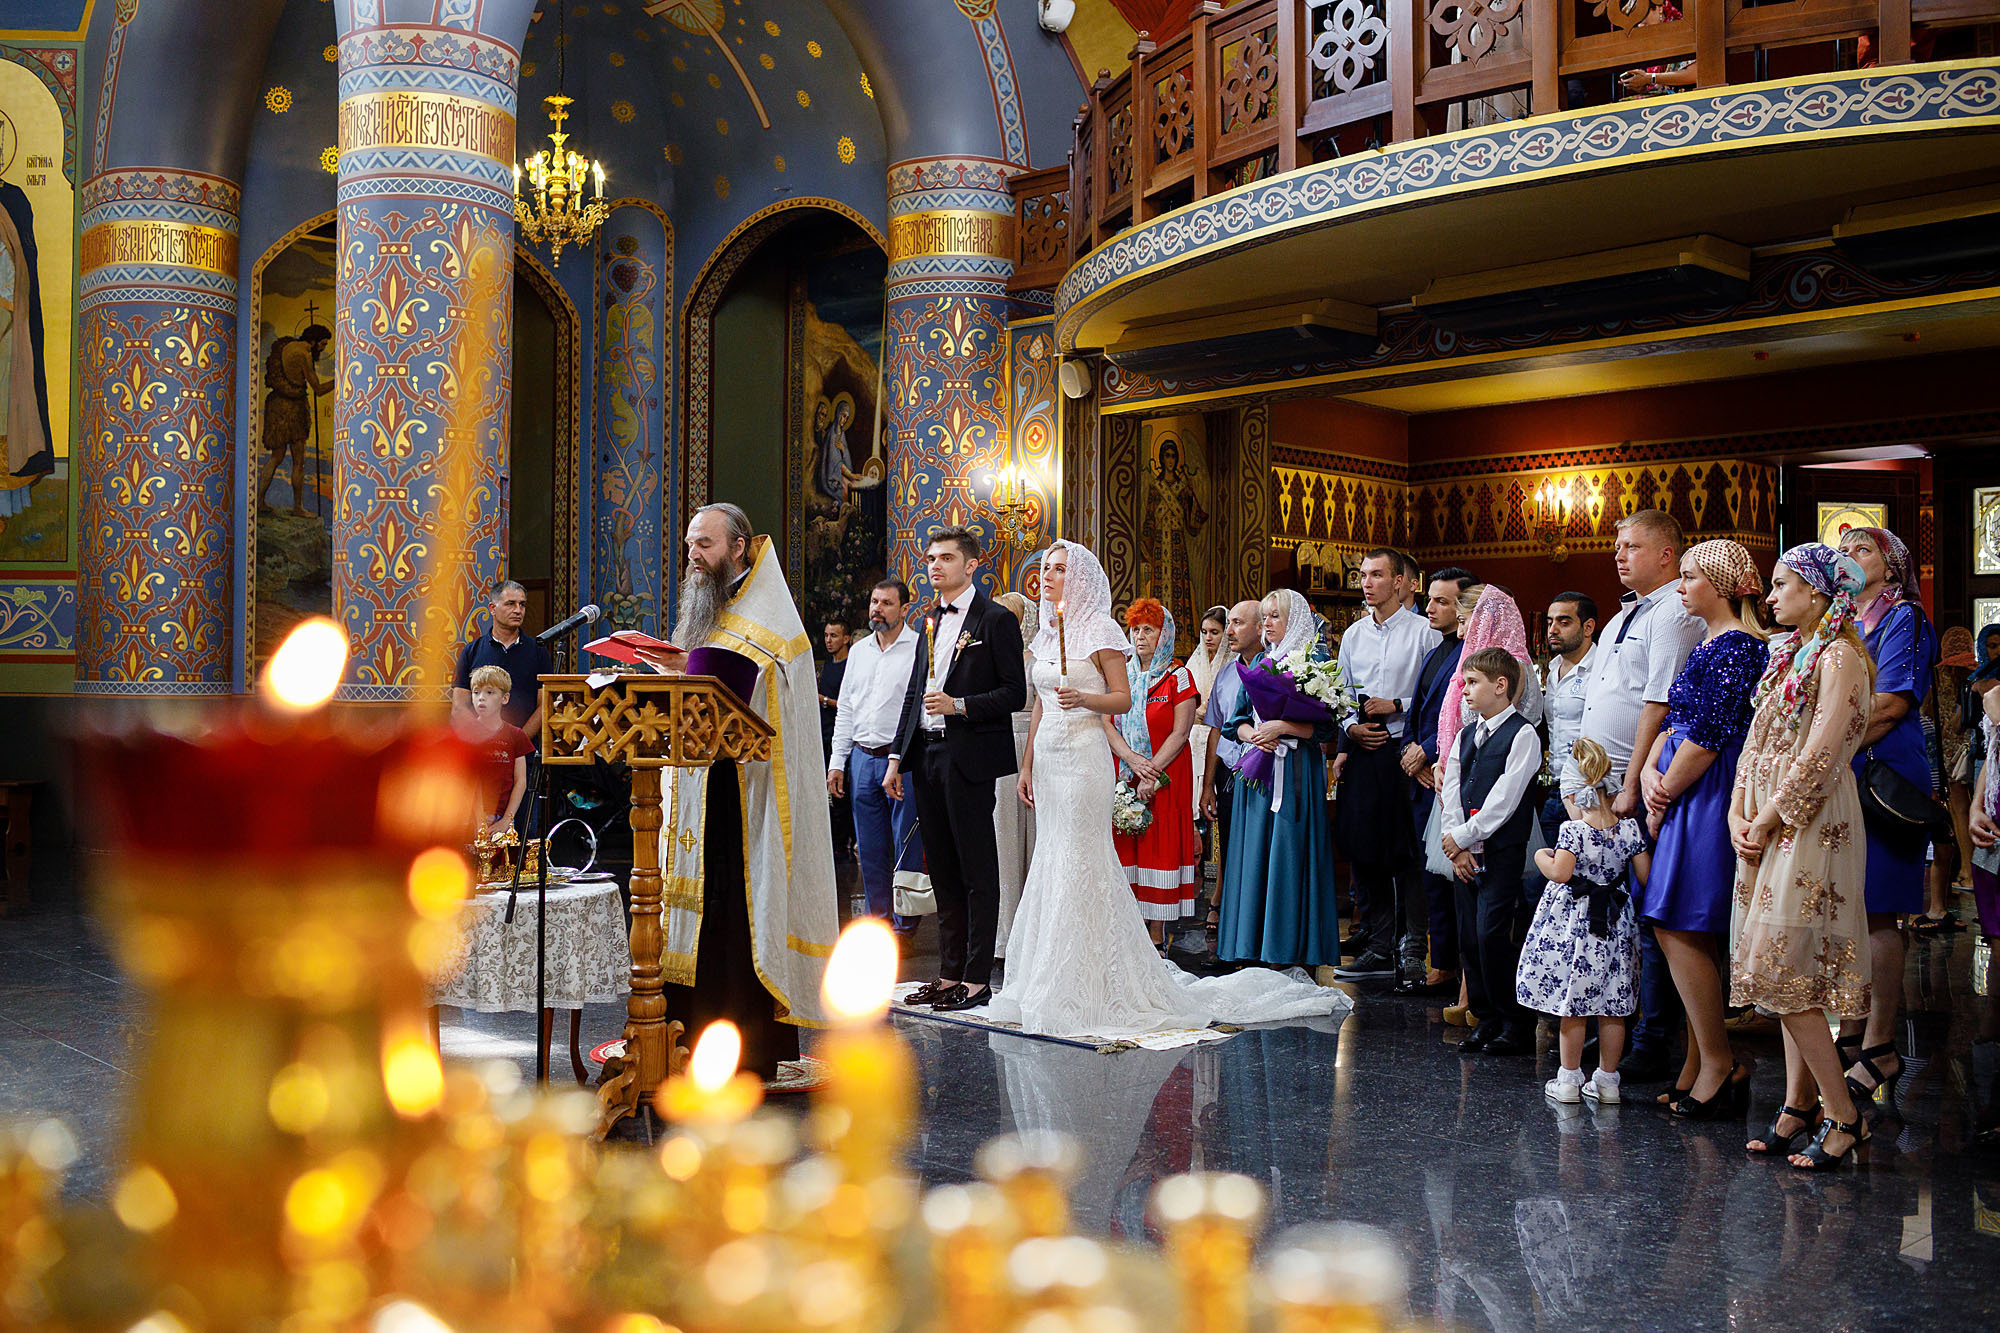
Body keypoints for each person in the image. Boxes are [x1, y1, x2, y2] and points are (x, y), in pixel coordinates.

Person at [990, 546, 1349, 1038]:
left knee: (1080, 856)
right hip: (1049, 758)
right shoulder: (1048, 634)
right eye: (1045, 569)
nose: (1047, 577)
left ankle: (1087, 977)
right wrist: (1027, 764)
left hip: (1084, 761)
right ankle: (1043, 974)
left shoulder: (1099, 631)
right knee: (1051, 855)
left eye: (1058, 569)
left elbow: (1121, 698)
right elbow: (1040, 707)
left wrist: (1086, 699)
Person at [633, 502, 841, 1079]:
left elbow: (768, 700)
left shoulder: (772, 620)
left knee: (733, 919)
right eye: (689, 545)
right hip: (699, 787)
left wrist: (700, 676)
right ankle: (685, 1038)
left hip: (746, 803)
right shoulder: (710, 611)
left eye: (704, 545)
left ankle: (745, 1050)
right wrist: (676, 669)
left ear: (739, 548)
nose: (693, 557)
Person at [1731, 544, 1875, 1169]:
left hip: (1811, 820)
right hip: (1764, 820)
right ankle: (1798, 1104)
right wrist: (1737, 810)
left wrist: (1765, 817)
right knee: (1783, 977)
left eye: (1782, 585)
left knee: (1783, 967)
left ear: (1816, 593)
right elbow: (1753, 741)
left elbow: (1825, 749)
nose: (1770, 597)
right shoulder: (1783, 654)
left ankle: (1845, 1114)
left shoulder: (1839, 656)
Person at [1564, 509, 1705, 1084]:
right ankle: (1611, 1029)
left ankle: (1651, 1039)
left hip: (1637, 782)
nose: (1619, 555)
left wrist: (1629, 783)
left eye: (1632, 546)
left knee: (1651, 917)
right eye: (1617, 545)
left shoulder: (1672, 612)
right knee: (1607, 914)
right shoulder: (1631, 611)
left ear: (1667, 555)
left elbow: (1661, 701)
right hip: (1601, 780)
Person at [1635, 539, 1769, 1116]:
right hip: (1686, 787)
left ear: (1718, 585)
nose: (1681, 587)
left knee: (1680, 923)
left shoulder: (1739, 645)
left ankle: (1718, 1058)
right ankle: (1698, 1060)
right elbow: (1676, 717)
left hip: (1709, 793)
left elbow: (1711, 734)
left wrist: (1664, 787)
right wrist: (1647, 767)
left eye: (1688, 577)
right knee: (1681, 925)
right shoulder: (1708, 643)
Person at [884, 526, 1028, 1012]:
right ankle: (947, 974)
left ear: (971, 565)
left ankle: (975, 976)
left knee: (975, 868)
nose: (934, 565)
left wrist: (959, 704)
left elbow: (1015, 693)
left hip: (968, 755)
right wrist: (895, 758)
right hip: (927, 755)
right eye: (930, 558)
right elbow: (913, 695)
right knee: (941, 868)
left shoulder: (995, 620)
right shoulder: (929, 621)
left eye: (946, 557)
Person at [1836, 524, 1937, 1109]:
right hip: (1844, 770)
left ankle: (1880, 1044)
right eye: (1843, 551)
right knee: (1847, 904)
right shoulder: (1840, 620)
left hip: (1885, 774)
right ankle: (1850, 1025)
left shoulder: (1904, 619)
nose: (1850, 557)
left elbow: (1893, 701)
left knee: (1879, 910)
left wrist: (1825, 740)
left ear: (1893, 566)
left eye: (1863, 549)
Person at [1217, 590, 1347, 969]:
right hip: (1257, 768)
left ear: (1297, 619)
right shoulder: (1259, 662)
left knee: (1289, 851)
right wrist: (1254, 735)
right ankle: (1252, 945)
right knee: (1254, 852)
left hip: (1294, 773)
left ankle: (1289, 946)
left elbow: (1326, 726)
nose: (1268, 623)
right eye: (1266, 616)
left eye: (1276, 616)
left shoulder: (1315, 661)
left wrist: (1285, 725)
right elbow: (1234, 722)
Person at [1517, 737, 1649, 1104]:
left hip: (1576, 927)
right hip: (1615, 924)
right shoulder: (1629, 830)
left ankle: (1569, 1081)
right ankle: (1608, 1081)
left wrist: (1543, 856)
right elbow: (1644, 876)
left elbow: (1560, 873)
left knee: (1573, 1004)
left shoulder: (1573, 831)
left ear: (1575, 796)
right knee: (1613, 1005)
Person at [1336, 548, 1443, 980]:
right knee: (1365, 848)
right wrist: (1350, 727)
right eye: (1363, 575)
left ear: (1399, 582)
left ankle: (1413, 945)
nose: (1366, 583)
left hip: (1406, 752)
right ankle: (1378, 944)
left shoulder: (1424, 633)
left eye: (1376, 575)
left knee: (1406, 851)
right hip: (1365, 749)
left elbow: (1441, 695)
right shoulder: (1353, 635)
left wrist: (1397, 703)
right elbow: (1339, 692)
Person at [1440, 647, 1544, 1055]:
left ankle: (1513, 1021)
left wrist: (1467, 834)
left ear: (1500, 686)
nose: (1464, 691)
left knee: (1492, 934)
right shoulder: (1467, 734)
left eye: (1472, 683)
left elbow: (1506, 797)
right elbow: (1452, 788)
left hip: (1500, 850)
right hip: (1463, 851)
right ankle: (1484, 1017)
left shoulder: (1522, 734)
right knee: (1468, 935)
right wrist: (1455, 842)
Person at [1396, 566, 1475, 997]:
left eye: (1443, 601)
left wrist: (1428, 751)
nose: (1431, 607)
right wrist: (1413, 751)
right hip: (1424, 777)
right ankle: (1441, 962)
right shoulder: (1436, 650)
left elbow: (1463, 715)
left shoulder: (1472, 653)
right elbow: (1418, 710)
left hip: (1451, 774)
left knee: (1454, 875)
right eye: (1431, 599)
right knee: (1431, 875)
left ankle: (1463, 970)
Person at [827, 581, 921, 932]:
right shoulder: (860, 651)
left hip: (903, 760)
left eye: (886, 603)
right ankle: (878, 922)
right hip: (862, 759)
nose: (876, 609)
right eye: (873, 601)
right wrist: (838, 761)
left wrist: (902, 757)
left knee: (904, 847)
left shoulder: (917, 648)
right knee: (869, 848)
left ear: (903, 609)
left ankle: (905, 926)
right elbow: (847, 708)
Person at [1109, 598, 1202, 948]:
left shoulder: (1179, 677)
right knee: (1126, 846)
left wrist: (1152, 773)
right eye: (1135, 629)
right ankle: (1129, 927)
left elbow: (1180, 733)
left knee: (1158, 847)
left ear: (1165, 635)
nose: (1140, 637)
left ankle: (1157, 932)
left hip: (1166, 776)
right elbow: (1107, 723)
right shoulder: (1120, 675)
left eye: (1149, 629)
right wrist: (1132, 761)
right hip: (1125, 772)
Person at [1200, 600, 1265, 934]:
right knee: (1225, 844)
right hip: (1228, 771)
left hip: (1264, 770)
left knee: (1255, 850)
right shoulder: (1227, 672)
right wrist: (1207, 785)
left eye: (1237, 623)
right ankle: (1226, 915)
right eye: (1229, 624)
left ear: (1260, 627)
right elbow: (1216, 728)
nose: (1229, 631)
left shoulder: (1274, 667)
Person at [990, 591, 1040, 960]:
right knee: (1002, 840)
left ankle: (1034, 931)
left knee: (1035, 839)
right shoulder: (989, 654)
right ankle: (1003, 936)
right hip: (996, 743)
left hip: (1032, 744)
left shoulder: (1038, 659)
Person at [453, 580, 553, 735]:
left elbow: (545, 705)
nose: (518, 610)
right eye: (510, 604)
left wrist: (516, 743)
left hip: (524, 749)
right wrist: (486, 740)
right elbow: (459, 707)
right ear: (492, 608)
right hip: (479, 746)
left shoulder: (538, 651)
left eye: (522, 605)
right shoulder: (472, 651)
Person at [1539, 594, 1599, 846]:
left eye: (1564, 622)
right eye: (1550, 621)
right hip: (1555, 784)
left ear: (1588, 627)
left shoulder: (1602, 669)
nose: (1553, 629)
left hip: (1590, 789)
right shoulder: (1552, 670)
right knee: (1544, 878)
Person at [259, 323, 333, 512]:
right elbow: (318, 390)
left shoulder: (288, 346)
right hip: (293, 409)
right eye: (323, 345)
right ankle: (298, 508)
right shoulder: (304, 354)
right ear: (314, 341)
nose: (323, 349)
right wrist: (339, 379)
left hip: (276, 405)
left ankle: (258, 501)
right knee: (299, 461)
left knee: (276, 457)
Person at [458, 665, 533, 839]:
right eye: (476, 693)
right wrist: (479, 822)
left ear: (504, 698)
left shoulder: (516, 735)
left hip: (503, 818)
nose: (481, 698)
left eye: (489, 693)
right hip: (468, 818)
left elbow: (521, 781)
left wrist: (507, 819)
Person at [819, 620, 854, 858]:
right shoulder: (828, 666)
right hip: (825, 734)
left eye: (834, 635)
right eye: (826, 635)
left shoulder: (851, 666)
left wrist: (823, 700)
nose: (829, 640)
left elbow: (851, 705)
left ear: (846, 638)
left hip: (844, 736)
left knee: (844, 792)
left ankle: (845, 842)